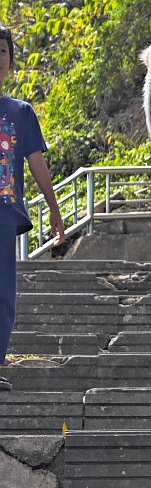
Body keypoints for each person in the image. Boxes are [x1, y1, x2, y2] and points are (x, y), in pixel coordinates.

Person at [0, 25, 65, 391]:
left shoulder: (20, 113)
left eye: (3, 51)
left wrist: (54, 210)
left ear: (11, 61)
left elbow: (36, 163)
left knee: (3, 295)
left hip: (4, 216)